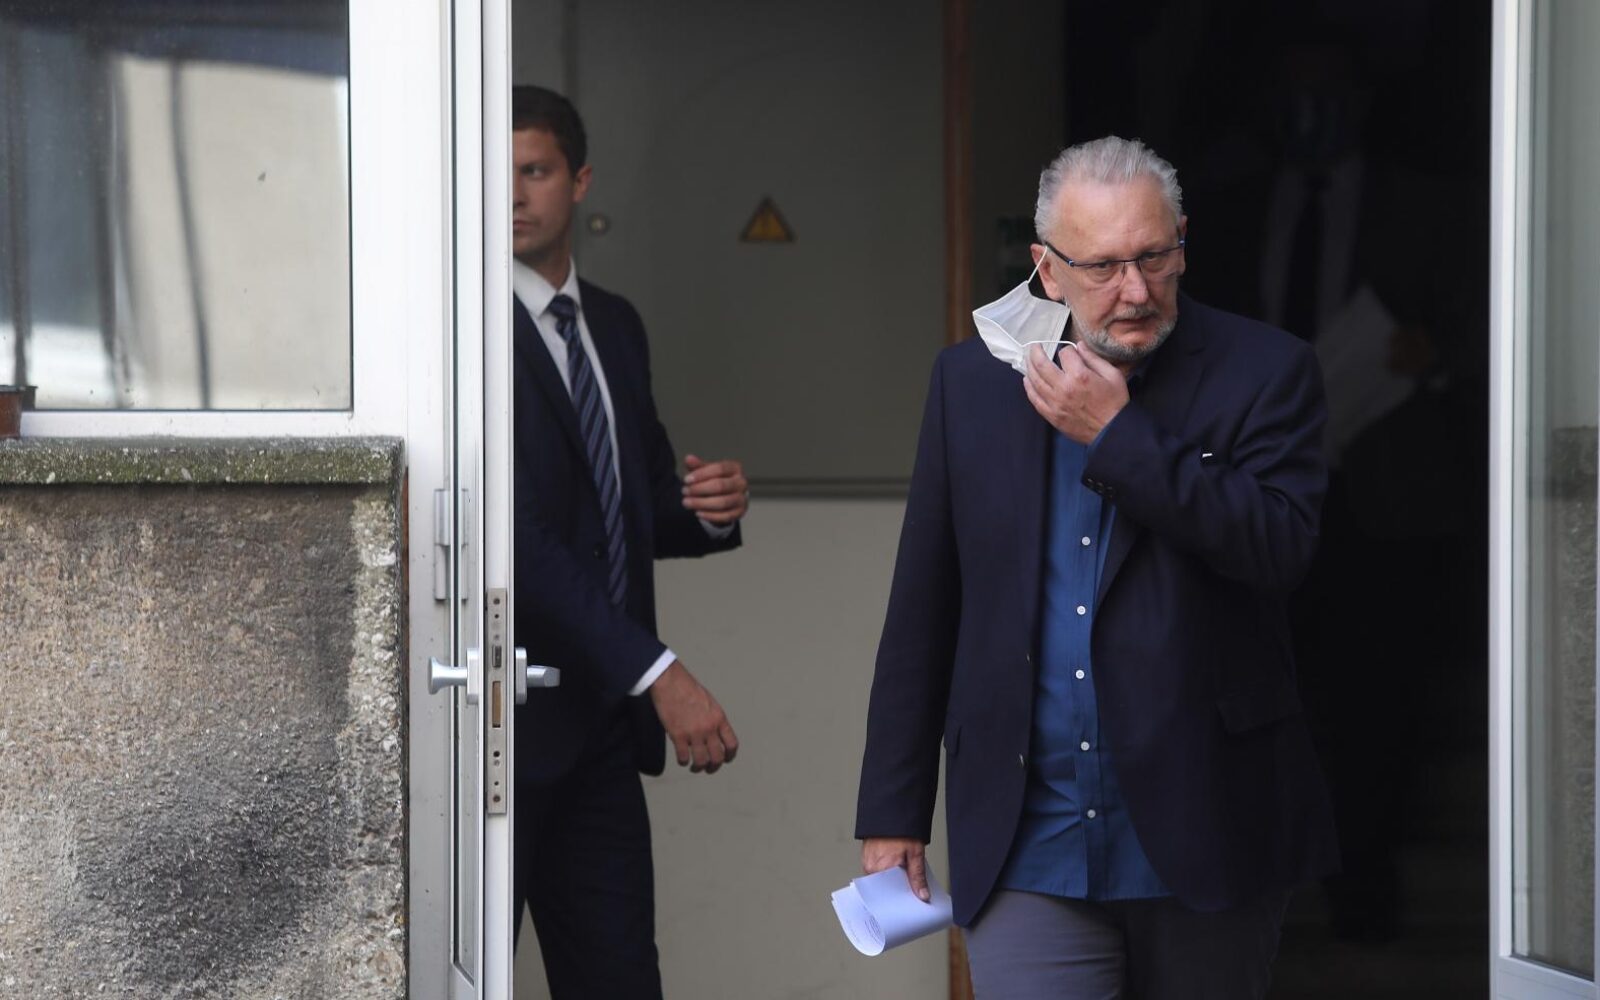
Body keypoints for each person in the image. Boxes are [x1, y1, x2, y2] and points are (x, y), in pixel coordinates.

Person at [854, 136, 1339, 999]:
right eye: (1105, 266)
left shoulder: (1268, 371)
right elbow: (925, 606)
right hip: (1025, 835)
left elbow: (1278, 548)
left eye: (1155, 257)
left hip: (1210, 822)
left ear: (1183, 243)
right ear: (1047, 268)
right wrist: (893, 810)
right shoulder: (971, 384)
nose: (1137, 290)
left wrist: (1120, 439)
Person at [509, 85, 748, 999]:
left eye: (535, 171)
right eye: (495, 175)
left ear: (580, 182)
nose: (512, 195)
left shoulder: (613, 324)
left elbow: (636, 505)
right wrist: (658, 672)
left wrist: (710, 510)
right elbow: (516, 540)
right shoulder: (459, 336)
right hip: (498, 724)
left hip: (603, 731)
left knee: (620, 983)